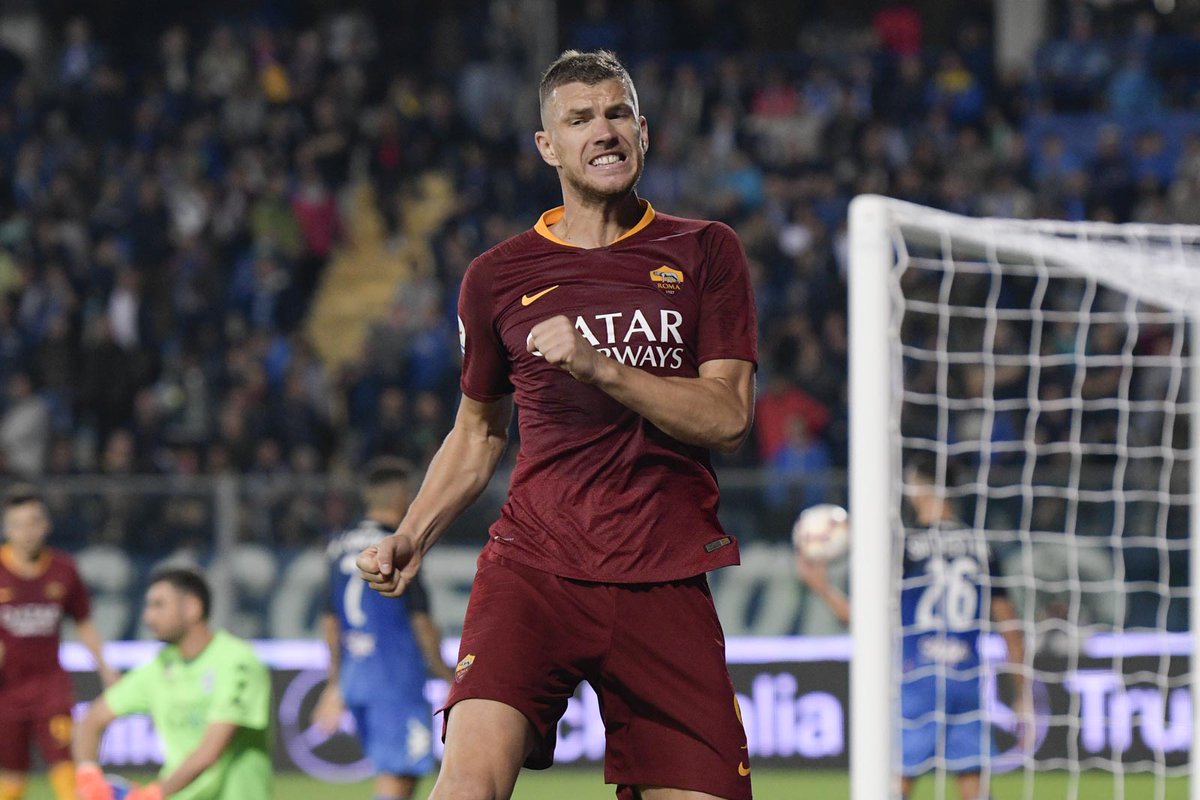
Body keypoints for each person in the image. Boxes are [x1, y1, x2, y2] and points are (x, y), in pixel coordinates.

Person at [357, 49, 757, 800]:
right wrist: (413, 532)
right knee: (467, 785)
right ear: (549, 147)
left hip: (663, 574)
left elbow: (728, 416)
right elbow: (477, 434)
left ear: (643, 131)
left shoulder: (705, 250)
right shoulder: (497, 275)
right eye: (579, 120)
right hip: (533, 567)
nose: (602, 132)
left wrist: (601, 366)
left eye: (616, 115)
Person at [795, 454, 1029, 800]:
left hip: (917, 678)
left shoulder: (904, 548)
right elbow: (1009, 622)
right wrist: (1022, 692)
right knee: (974, 787)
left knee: (897, 784)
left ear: (920, 486)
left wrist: (823, 589)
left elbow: (864, 620)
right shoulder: (982, 546)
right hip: (967, 677)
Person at [313, 456, 455, 800]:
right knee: (398, 780)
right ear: (402, 496)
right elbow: (420, 619)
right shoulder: (397, 547)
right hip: (394, 676)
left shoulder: (339, 543)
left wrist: (336, 683)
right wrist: (447, 675)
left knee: (396, 777)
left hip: (357, 678)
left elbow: (330, 620)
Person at [73, 568, 272, 800]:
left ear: (192, 608)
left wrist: (153, 794)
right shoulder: (160, 667)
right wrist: (88, 777)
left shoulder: (238, 663)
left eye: (158, 605)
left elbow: (210, 751)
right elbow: (90, 721)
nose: (148, 617)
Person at [0, 484, 118, 800]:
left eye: (33, 522)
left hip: (50, 687)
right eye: (19, 524)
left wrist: (105, 668)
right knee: (11, 781)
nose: (27, 532)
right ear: (7, 529)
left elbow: (83, 622)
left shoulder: (63, 570)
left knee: (66, 771)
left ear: (46, 525)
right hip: (6, 691)